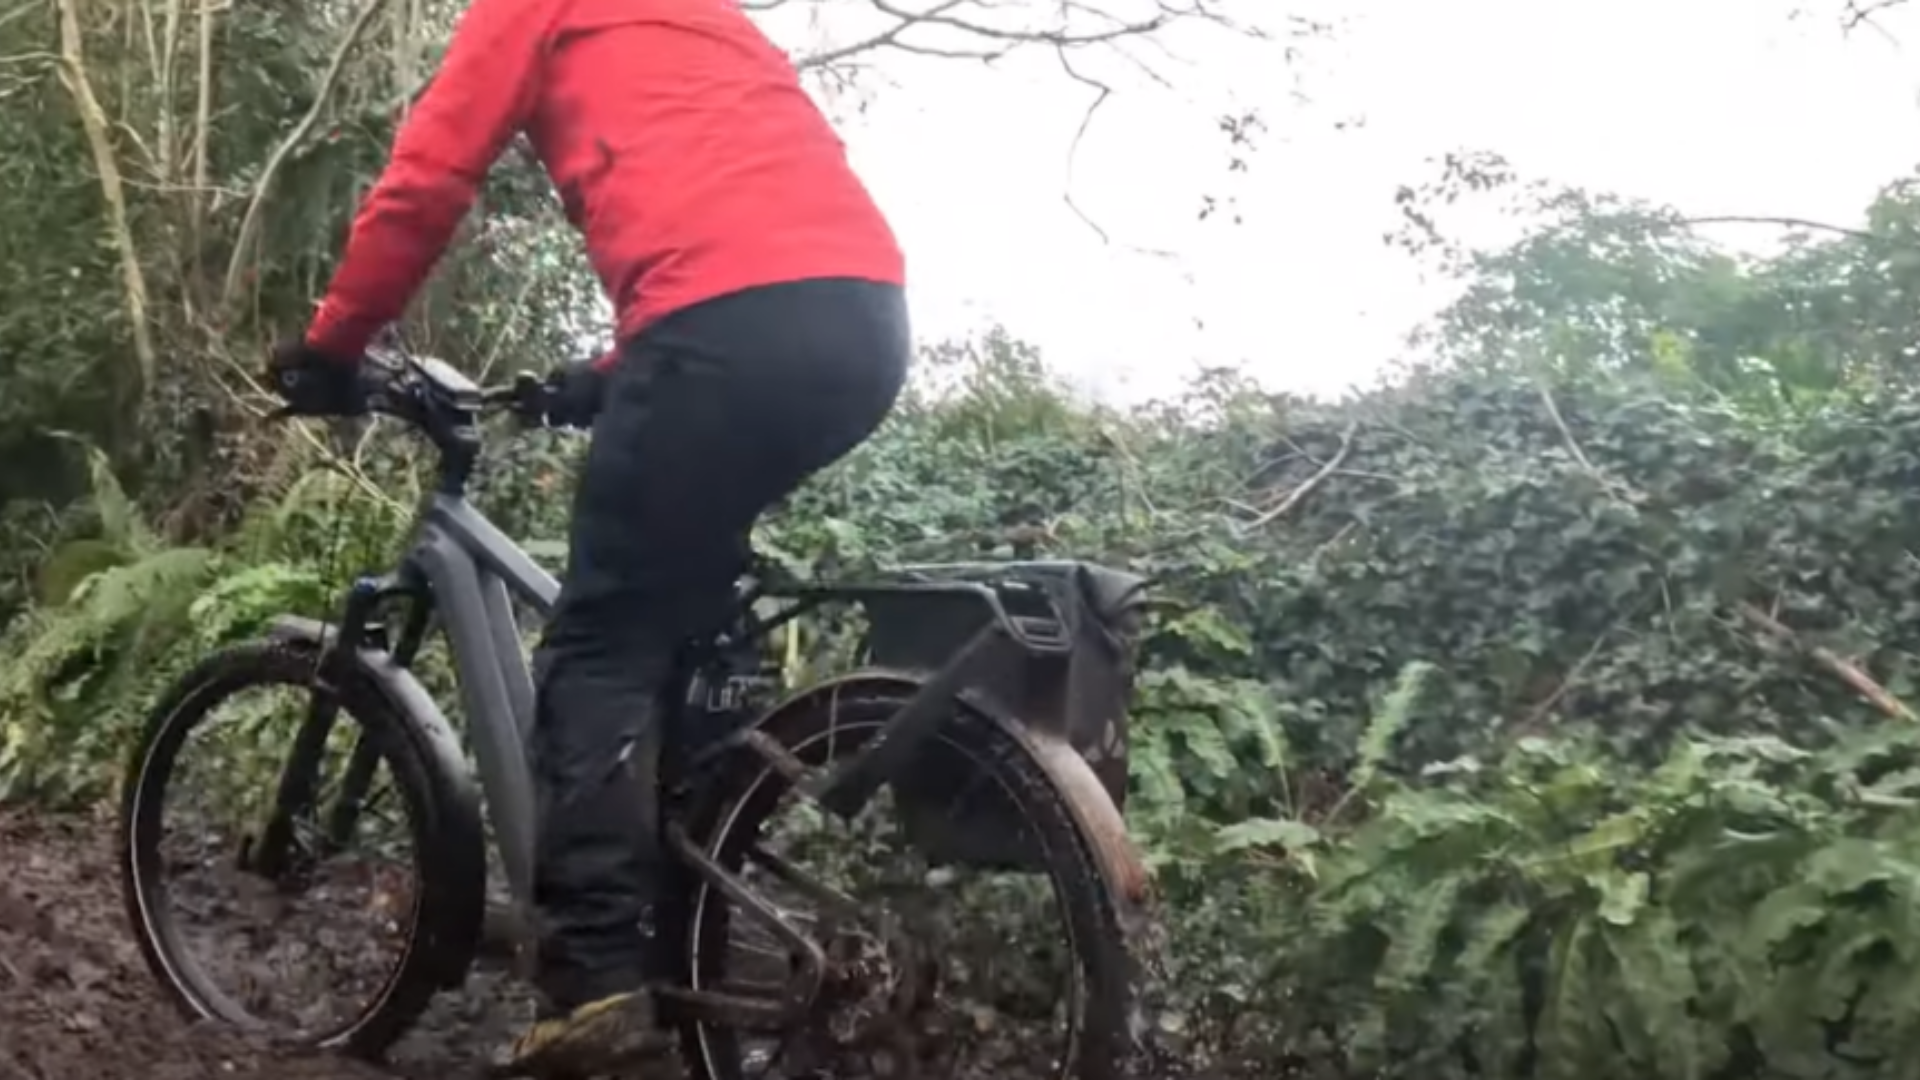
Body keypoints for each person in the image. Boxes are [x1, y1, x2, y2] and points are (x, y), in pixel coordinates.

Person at [265, 0, 910, 1074]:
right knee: (682, 630)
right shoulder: (707, 21)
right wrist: (608, 378)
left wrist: (336, 344)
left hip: (719, 327)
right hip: (862, 322)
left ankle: (597, 984)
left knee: (600, 645)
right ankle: (706, 926)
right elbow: (743, 210)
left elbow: (427, 180)